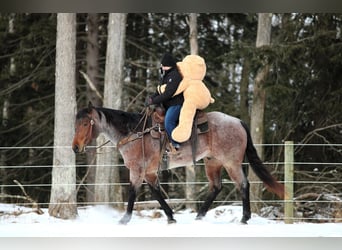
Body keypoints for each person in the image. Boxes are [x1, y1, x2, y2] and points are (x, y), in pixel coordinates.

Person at [145, 53, 184, 151]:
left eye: (163, 65)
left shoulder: (175, 76)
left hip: (175, 104)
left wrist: (153, 101)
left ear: (169, 65)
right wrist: (151, 98)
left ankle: (175, 144)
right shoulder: (165, 76)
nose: (161, 67)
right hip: (166, 105)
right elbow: (159, 91)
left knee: (168, 122)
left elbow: (168, 94)